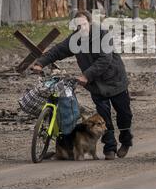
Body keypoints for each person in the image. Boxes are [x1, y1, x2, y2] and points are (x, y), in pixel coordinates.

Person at [32, 10, 133, 160]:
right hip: (96, 85)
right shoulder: (75, 39)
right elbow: (58, 50)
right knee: (103, 116)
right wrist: (40, 63)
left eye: (84, 25)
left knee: (124, 115)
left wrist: (86, 75)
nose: (81, 28)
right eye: (78, 26)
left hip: (115, 80)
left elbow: (105, 59)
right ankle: (110, 147)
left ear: (90, 23)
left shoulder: (103, 35)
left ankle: (125, 141)